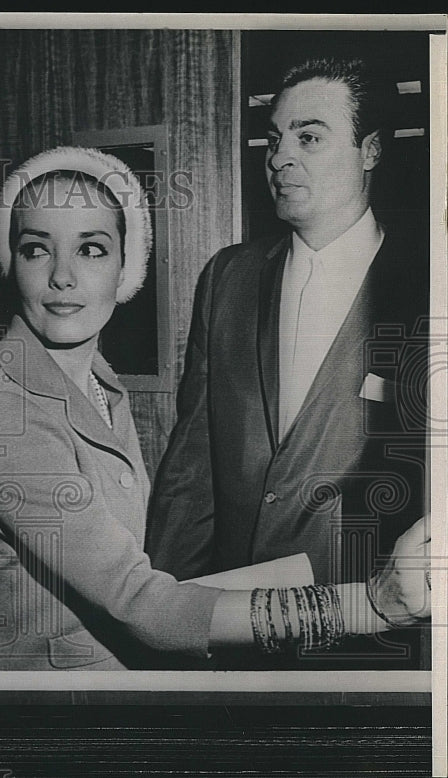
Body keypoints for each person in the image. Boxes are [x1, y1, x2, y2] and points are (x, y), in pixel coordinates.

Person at [0, 145, 430, 670]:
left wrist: (310, 581)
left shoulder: (96, 383)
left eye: (91, 249)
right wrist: (372, 604)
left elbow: (140, 586)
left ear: (126, 269)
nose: (62, 276)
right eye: (37, 249)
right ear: (10, 264)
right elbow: (146, 608)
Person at [145, 58, 429, 667]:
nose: (279, 158)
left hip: (373, 633)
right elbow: (189, 472)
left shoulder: (428, 284)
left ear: (370, 150)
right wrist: (165, 618)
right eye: (275, 139)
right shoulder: (228, 277)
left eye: (309, 136)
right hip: (236, 624)